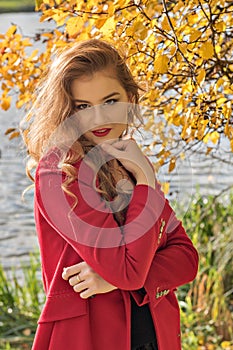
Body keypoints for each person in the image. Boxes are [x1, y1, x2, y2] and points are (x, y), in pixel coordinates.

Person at [22, 39, 198, 350]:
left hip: (155, 335)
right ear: (66, 110)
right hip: (90, 338)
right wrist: (145, 179)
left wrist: (112, 281)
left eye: (110, 101)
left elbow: (186, 258)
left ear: (130, 99)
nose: (99, 119)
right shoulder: (58, 173)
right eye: (83, 107)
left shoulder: (125, 161)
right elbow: (128, 272)